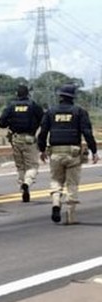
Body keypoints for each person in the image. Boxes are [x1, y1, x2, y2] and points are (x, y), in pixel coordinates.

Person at [37, 83, 99, 224]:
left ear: (60, 96)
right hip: (73, 153)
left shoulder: (51, 112)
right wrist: (94, 151)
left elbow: (43, 133)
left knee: (56, 180)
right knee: (72, 184)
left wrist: (41, 150)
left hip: (55, 152)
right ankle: (71, 216)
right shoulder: (79, 111)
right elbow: (87, 133)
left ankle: (55, 204)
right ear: (73, 97)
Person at [0, 84, 44, 202]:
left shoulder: (11, 106)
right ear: (28, 94)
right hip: (29, 139)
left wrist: (10, 123)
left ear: (16, 94)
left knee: (20, 167)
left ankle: (23, 188)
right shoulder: (33, 105)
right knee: (32, 166)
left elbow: (1, 122)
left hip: (16, 139)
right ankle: (27, 183)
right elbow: (44, 120)